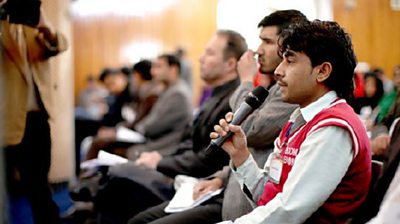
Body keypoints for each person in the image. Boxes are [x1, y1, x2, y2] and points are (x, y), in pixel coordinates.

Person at [128, 9, 307, 224]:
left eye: (266, 42)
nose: (258, 50)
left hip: (244, 207)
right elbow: (253, 152)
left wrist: (246, 80)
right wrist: (219, 179)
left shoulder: (291, 92)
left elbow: (250, 132)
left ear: (288, 47)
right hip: (227, 190)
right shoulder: (272, 90)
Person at [211, 20, 371, 223]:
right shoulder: (300, 120)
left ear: (322, 71)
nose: (278, 70)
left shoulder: (333, 127)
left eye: (290, 60)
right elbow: (268, 198)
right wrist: (241, 156)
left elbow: (287, 212)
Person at [94, 29, 247, 224]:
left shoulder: (231, 100)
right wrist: (161, 158)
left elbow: (207, 158)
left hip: (196, 179)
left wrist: (160, 162)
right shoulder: (214, 95)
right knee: (117, 172)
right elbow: (187, 141)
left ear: (230, 64)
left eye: (209, 53)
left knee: (121, 176)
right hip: (182, 166)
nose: (200, 59)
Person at [0, 1, 68, 223]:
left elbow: (60, 45)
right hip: (5, 121)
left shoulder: (34, 27)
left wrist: (44, 26)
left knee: (39, 184)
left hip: (37, 118)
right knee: (6, 188)